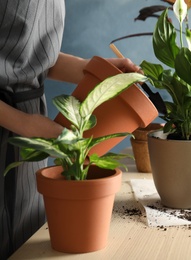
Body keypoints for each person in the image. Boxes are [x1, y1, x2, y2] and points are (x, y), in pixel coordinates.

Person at [0, 1, 141, 258]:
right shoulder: (27, 125)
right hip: (16, 121)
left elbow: (28, 58)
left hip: (30, 128)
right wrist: (23, 123)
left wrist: (88, 69)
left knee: (26, 241)